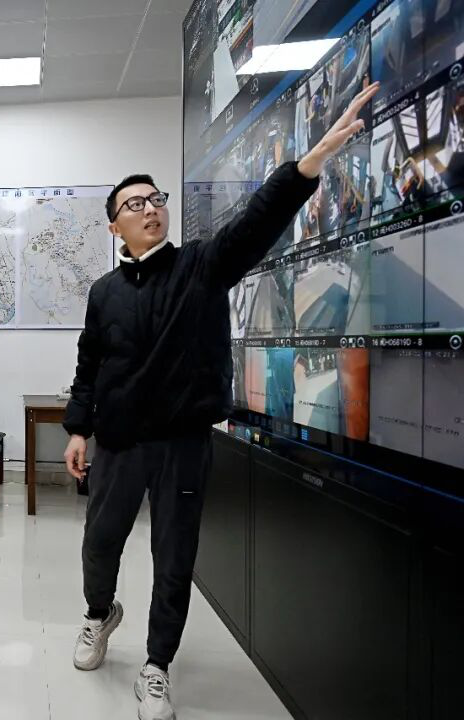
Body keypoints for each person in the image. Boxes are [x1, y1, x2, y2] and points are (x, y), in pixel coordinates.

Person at [63, 82, 381, 720]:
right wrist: (78, 428)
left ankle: (157, 666)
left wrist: (309, 164)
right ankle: (100, 613)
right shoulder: (103, 292)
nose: (151, 209)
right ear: (115, 225)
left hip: (183, 442)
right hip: (120, 442)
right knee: (100, 543)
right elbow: (89, 363)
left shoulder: (202, 267)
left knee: (174, 557)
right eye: (135, 204)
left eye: (156, 199)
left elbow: (255, 223)